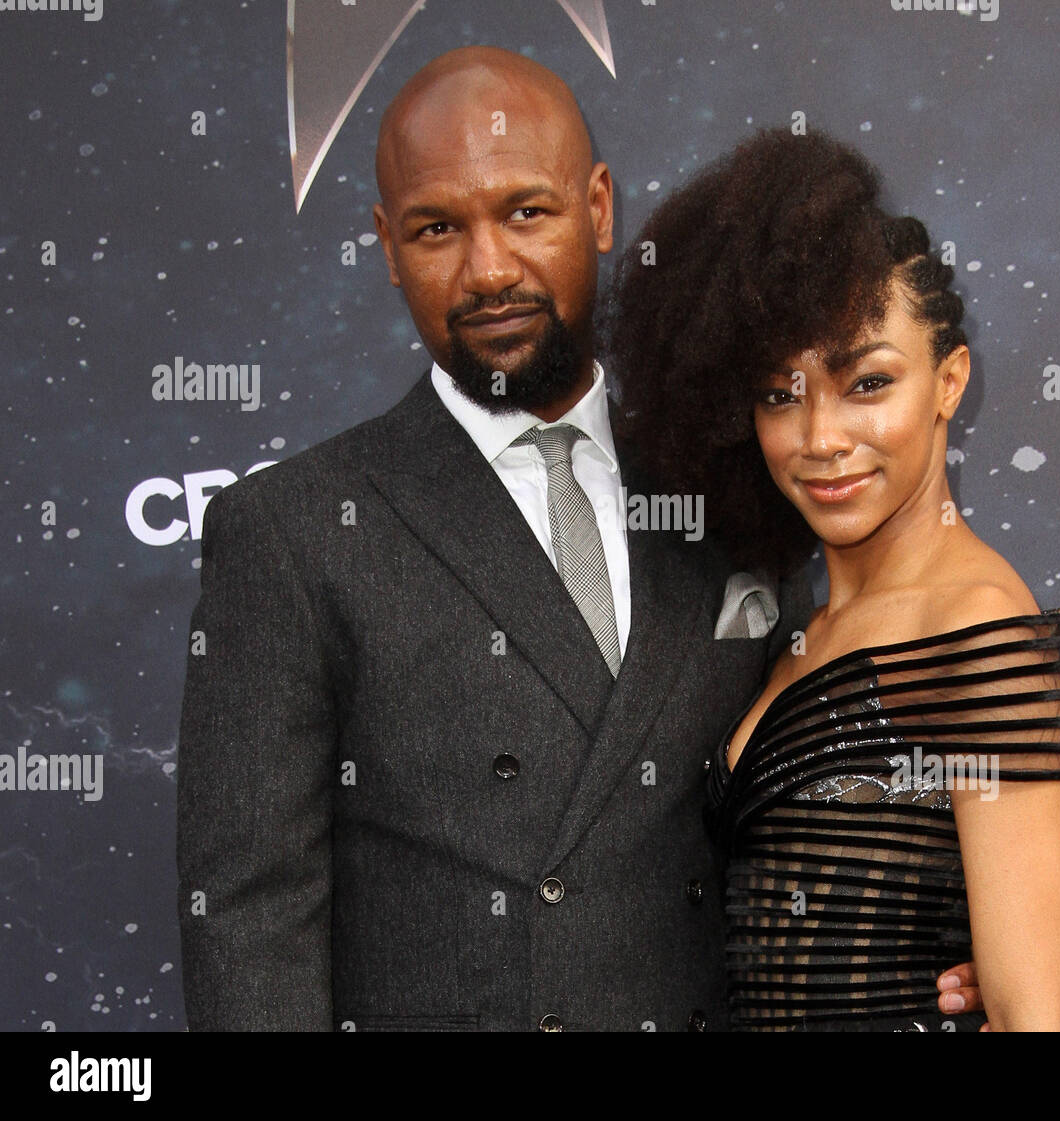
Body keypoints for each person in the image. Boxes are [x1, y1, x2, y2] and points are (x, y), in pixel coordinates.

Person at [176, 47, 983, 1031]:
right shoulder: (292, 530)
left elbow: (793, 807)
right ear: (386, 247)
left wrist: (930, 933)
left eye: (526, 212)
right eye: (437, 228)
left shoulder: (735, 480)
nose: (489, 269)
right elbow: (249, 922)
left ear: (598, 208)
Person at [609, 127, 1060, 1031]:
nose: (820, 437)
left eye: (867, 382)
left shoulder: (975, 627)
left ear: (950, 380)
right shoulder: (801, 624)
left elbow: (1043, 1020)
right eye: (780, 394)